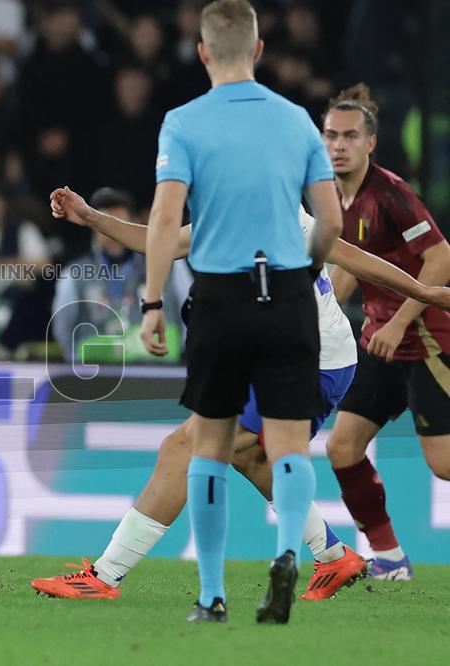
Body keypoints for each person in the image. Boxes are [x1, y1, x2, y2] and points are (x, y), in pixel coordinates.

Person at [34, 187, 450, 602]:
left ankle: (105, 577)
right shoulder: (233, 208)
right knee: (247, 454)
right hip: (278, 358)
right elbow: (159, 242)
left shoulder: (277, 211)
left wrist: (426, 293)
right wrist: (90, 216)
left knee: (183, 447)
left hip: (312, 359)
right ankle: (333, 556)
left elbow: (350, 255)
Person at [137, 0, 343, 623]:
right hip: (286, 294)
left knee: (210, 447)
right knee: (288, 448)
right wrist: (303, 272)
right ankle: (287, 557)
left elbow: (167, 219)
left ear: (202, 52)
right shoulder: (299, 121)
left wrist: (151, 303)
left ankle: (212, 593)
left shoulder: (182, 122)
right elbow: (330, 220)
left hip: (222, 295)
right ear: (258, 51)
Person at [322, 84, 450, 581]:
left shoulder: (391, 193)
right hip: (380, 342)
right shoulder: (332, 197)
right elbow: (350, 266)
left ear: (370, 143)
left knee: (442, 465)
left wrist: (399, 322)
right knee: (343, 447)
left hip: (429, 341)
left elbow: (441, 257)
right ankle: (390, 559)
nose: (338, 145)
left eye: (350, 136)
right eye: (331, 135)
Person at [50, 188, 191, 362]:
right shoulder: (74, 274)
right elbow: (63, 329)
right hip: (96, 376)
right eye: (104, 229)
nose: (111, 236)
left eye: (118, 226)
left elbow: (190, 315)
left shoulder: (172, 265)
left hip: (158, 372)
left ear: (134, 225)